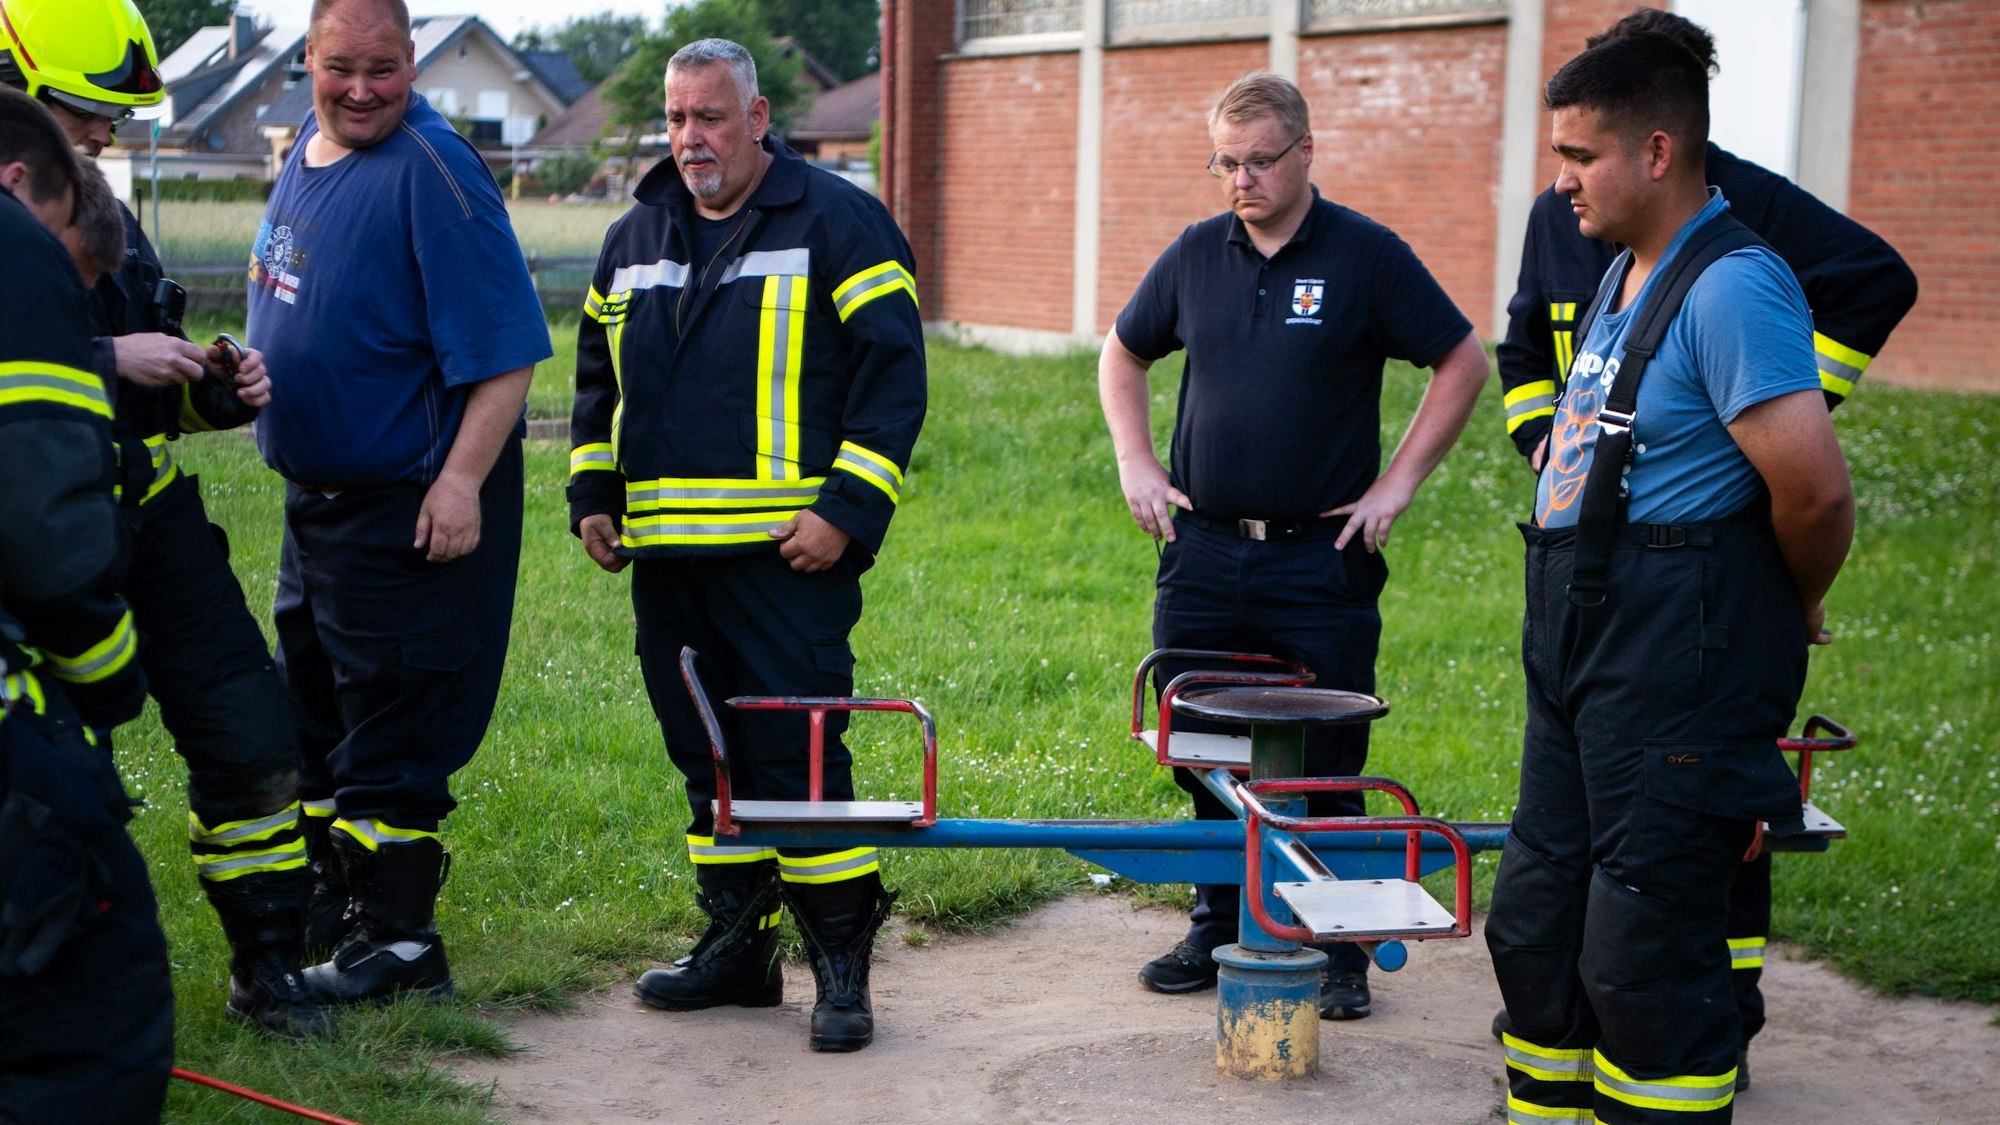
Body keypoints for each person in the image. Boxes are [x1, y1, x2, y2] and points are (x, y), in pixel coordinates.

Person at [1491, 8, 1917, 1093]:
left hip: (1670, 656)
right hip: (1580, 640)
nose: (1563, 183)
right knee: (1538, 928)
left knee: (1643, 960)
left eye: (1578, 157)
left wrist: (1785, 595)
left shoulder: (1732, 285)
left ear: (1656, 151)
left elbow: (1813, 495)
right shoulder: (1621, 273)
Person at [1098, 70, 1488, 1020]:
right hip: (1204, 553)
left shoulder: (1364, 255)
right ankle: (1217, 918)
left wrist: (1397, 483)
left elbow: (1463, 359)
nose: (1241, 179)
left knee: (1326, 760)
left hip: (1319, 561)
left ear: (1306, 152)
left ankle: (1337, 940)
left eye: (1260, 160)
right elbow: (1123, 350)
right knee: (1206, 751)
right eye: (1225, 162)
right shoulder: (1196, 254)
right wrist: (1135, 461)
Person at [568, 38, 926, 1053]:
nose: (690, 139)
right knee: (705, 763)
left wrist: (847, 511)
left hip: (786, 559)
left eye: (710, 118)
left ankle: (841, 976)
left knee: (796, 762)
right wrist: (593, 485)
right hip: (667, 560)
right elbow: (597, 375)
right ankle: (736, 952)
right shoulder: (633, 234)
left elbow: (893, 377)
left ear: (758, 118)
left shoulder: (839, 221)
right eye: (676, 120)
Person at [0, 0, 325, 1039]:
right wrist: (101, 359)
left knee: (250, 731)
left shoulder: (92, 204)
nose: (103, 135)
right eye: (89, 110)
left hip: (141, 510)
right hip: (31, 537)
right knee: (50, 774)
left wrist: (211, 383)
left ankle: (269, 967)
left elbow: (148, 381)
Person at [247, 0, 550, 1006]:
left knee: (392, 722)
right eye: (342, 68)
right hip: (317, 503)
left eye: (384, 68)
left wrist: (460, 482)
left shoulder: (435, 169)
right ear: (307, 60)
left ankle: (400, 948)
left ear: (413, 60)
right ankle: (333, 914)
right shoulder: (305, 151)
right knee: (317, 721)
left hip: (408, 505)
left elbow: (506, 353)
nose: (363, 89)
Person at [0, 83, 174, 1123]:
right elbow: (49, 529)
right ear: (22, 181)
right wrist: (111, 682)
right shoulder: (13, 247)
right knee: (90, 1012)